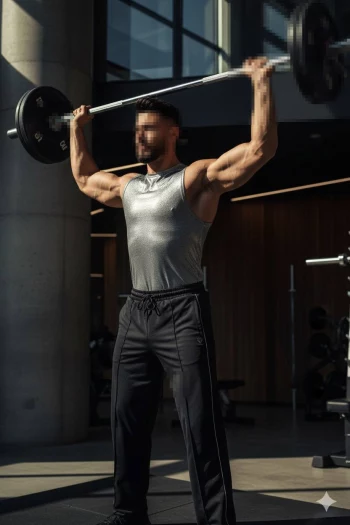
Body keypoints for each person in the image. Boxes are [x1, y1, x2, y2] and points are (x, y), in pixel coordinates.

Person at [70, 57, 278, 525]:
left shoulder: (196, 179)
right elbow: (84, 177)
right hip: (135, 312)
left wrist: (261, 83)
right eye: (137, 130)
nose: (140, 136)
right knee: (126, 420)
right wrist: (75, 128)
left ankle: (216, 519)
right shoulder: (128, 186)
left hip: (182, 309)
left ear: (172, 134)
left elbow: (259, 149)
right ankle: (128, 514)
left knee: (199, 423)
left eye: (149, 129)